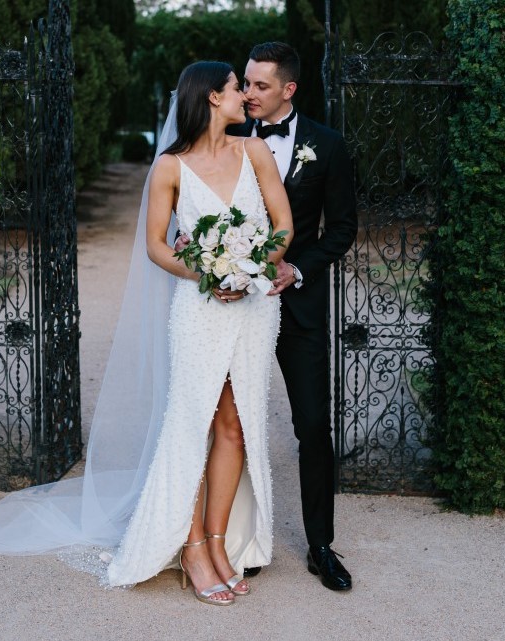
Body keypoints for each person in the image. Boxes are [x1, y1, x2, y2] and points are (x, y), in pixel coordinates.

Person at [0, 61, 294, 607]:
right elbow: (157, 245)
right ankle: (191, 549)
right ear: (212, 97)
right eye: (237, 88)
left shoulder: (254, 152)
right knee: (191, 425)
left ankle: (218, 543)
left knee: (237, 425)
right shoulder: (170, 167)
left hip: (254, 309)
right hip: (201, 309)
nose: (245, 97)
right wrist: (208, 274)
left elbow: (283, 226)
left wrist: (251, 268)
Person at [178, 43, 357, 591]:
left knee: (312, 424)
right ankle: (238, 542)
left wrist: (296, 270)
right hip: (231, 309)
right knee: (233, 424)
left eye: (260, 85)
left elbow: (342, 229)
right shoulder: (224, 136)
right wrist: (196, 251)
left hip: (295, 304)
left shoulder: (327, 146)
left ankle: (321, 546)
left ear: (288, 89)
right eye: (246, 84)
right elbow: (193, 207)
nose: (250, 93)